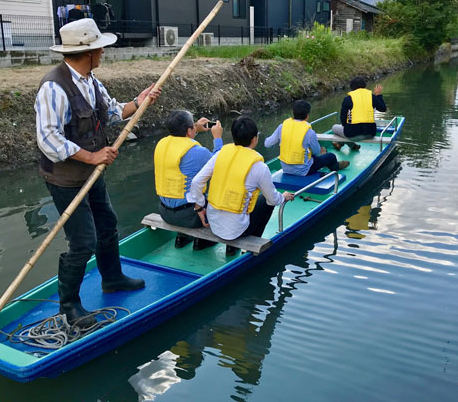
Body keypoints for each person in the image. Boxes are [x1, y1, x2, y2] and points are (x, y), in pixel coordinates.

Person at [35, 18, 161, 328]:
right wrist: (92, 156)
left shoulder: (90, 81)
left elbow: (114, 111)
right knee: (83, 241)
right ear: (88, 52)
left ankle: (113, 278)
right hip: (65, 179)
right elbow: (48, 139)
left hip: (92, 173)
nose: (104, 53)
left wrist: (138, 102)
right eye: (100, 49)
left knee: (107, 225)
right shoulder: (54, 88)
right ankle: (69, 305)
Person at [188, 116, 294, 256]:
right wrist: (283, 197)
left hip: (214, 224)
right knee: (265, 201)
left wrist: (199, 206)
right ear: (254, 139)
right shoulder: (259, 167)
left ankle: (212, 243)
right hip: (237, 230)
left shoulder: (220, 154)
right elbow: (273, 199)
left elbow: (196, 182)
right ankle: (251, 246)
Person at [154, 110, 223, 250]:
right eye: (193, 125)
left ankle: (182, 238)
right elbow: (219, 164)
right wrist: (217, 138)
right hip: (189, 217)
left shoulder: (161, 144)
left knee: (186, 191)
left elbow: (181, 138)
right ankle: (203, 241)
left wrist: (195, 128)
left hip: (164, 212)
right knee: (222, 201)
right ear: (188, 130)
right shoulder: (198, 152)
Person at [264, 100, 349, 175]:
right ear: (307, 115)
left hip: (286, 168)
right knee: (331, 156)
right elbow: (316, 151)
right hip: (304, 170)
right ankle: (335, 166)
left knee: (313, 156)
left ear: (293, 113)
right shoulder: (309, 132)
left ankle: (324, 159)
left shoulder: (282, 127)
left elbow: (267, 144)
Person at [331, 76, 387, 150]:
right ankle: (350, 145)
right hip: (370, 133)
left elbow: (343, 118)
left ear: (352, 87)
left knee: (334, 127)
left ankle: (347, 144)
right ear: (364, 85)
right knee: (345, 128)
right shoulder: (372, 97)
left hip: (352, 135)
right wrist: (378, 95)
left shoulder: (348, 99)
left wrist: (346, 126)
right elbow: (383, 109)